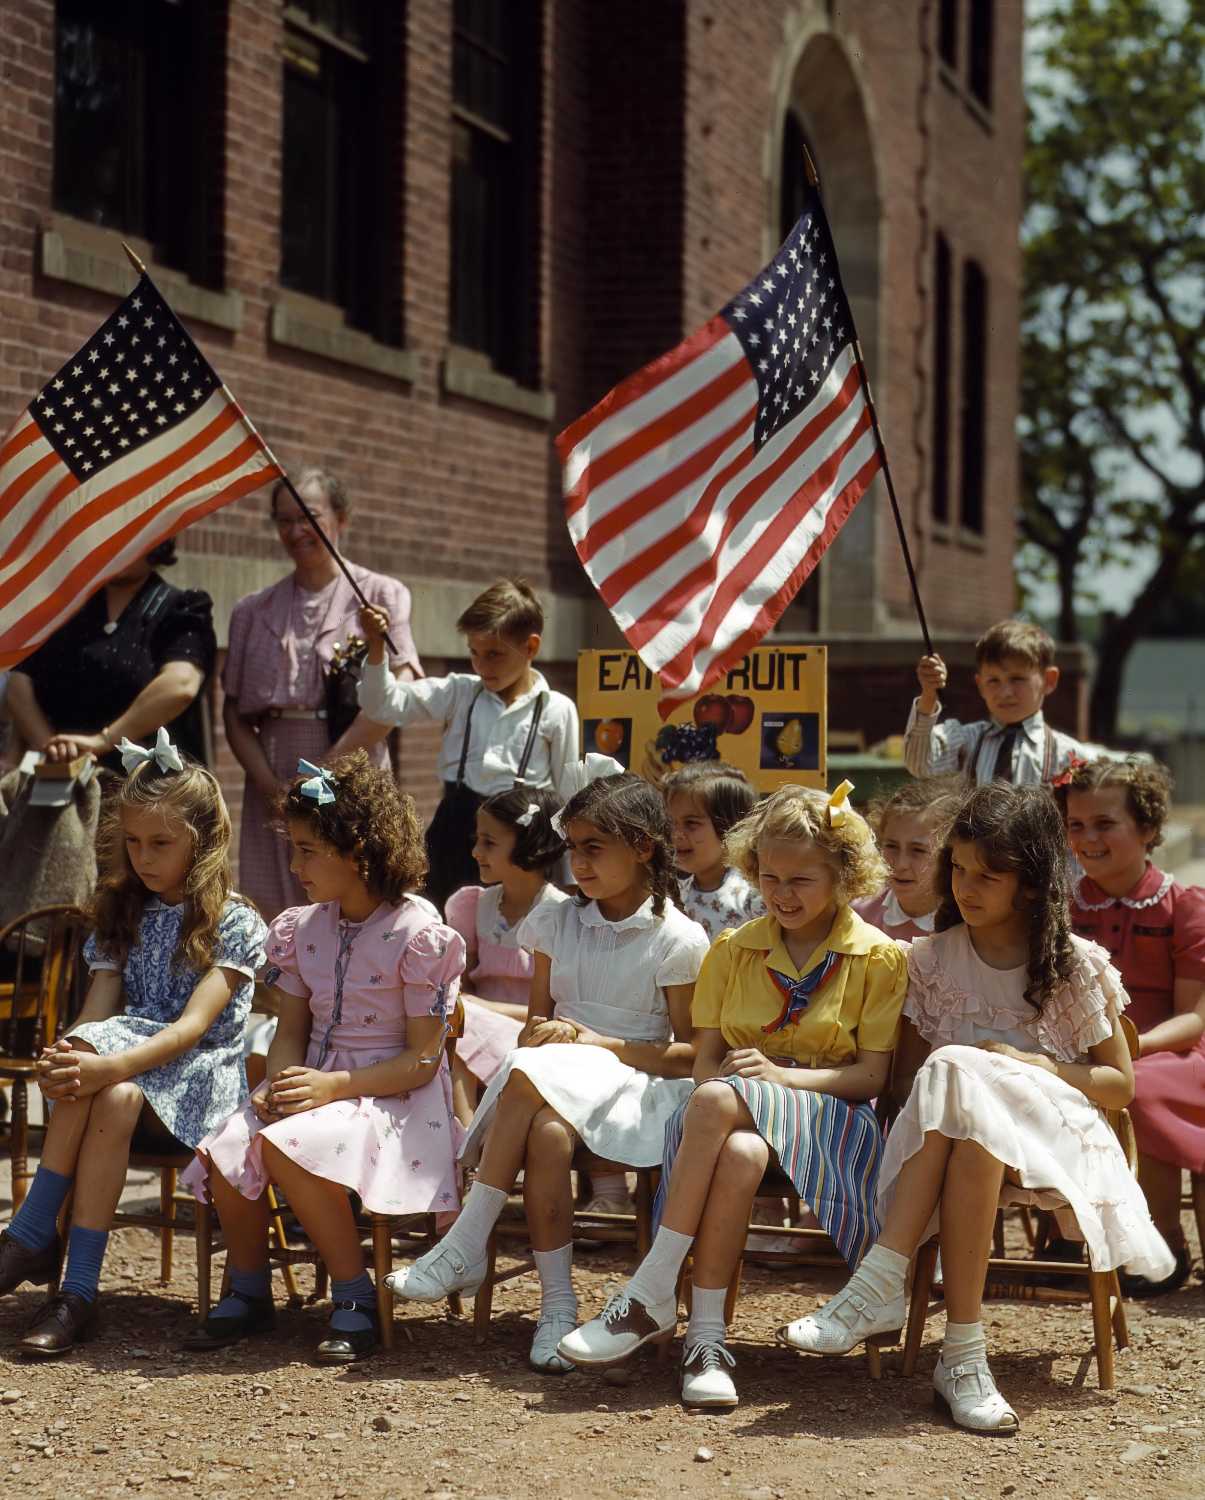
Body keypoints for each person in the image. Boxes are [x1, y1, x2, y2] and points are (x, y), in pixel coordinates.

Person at [779, 784, 1173, 1435]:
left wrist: (1030, 1065)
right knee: (966, 1118)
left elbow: (1117, 1085)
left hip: (1053, 1143)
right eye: (956, 868)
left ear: (1029, 882)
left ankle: (880, 1277)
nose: (964, 886)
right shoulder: (930, 960)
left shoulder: (1069, 965)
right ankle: (961, 1358)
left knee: (961, 1069)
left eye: (986, 875)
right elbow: (905, 1080)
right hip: (954, 1149)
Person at [557, 782, 907, 1410]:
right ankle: (707, 1342)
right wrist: (747, 1086)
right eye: (768, 877)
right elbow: (707, 1060)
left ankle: (652, 1289)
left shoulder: (878, 958)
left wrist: (783, 1079)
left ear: (845, 876)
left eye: (801, 880)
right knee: (738, 1147)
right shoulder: (732, 950)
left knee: (718, 1103)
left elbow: (872, 1079)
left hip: (832, 1120)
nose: (780, 894)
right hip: (730, 1120)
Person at [389, 774, 710, 1375]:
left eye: (595, 848)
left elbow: (688, 1055)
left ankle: (467, 1239)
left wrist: (595, 1041)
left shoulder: (679, 938)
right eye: (575, 847)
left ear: (642, 847)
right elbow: (537, 1024)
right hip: (553, 1081)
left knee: (535, 1074)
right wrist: (550, 1035)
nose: (579, 863)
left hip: (635, 1086)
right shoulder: (557, 923)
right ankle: (557, 1309)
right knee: (547, 1135)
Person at [181, 750, 465, 1365]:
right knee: (228, 1142)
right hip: (318, 1086)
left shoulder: (419, 933)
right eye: (296, 847)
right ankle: (251, 1288)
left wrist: (333, 1086)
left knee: (287, 1145)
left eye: (309, 850)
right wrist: (279, 1081)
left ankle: (356, 1295)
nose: (295, 864)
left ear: (359, 852)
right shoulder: (303, 927)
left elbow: (422, 1060)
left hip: (393, 1098)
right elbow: (291, 1026)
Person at [0, 730, 266, 1355]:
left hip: (196, 1081)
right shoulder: (124, 911)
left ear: (201, 844)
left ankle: (33, 1232)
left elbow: (191, 1030)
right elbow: (96, 1014)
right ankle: (77, 1293)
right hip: (122, 1088)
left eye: (161, 844)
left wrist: (100, 1063)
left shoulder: (233, 922)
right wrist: (67, 1056)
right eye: (134, 843)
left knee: (104, 1077)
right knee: (107, 1088)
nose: (143, 858)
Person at [222, 468, 423, 920]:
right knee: (276, 914)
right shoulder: (251, 611)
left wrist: (328, 768)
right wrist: (268, 783)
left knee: (353, 895)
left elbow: (401, 690)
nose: (296, 531)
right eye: (284, 520)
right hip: (274, 776)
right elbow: (234, 712)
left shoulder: (380, 596)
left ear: (341, 518)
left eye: (308, 517)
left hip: (351, 767)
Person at [1057, 756, 1205, 1293]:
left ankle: (1162, 1238)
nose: (1087, 838)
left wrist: (1131, 1046)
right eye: (1076, 825)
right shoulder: (1063, 909)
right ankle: (1074, 1232)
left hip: (1173, 1052)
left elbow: (1193, 1020)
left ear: (1146, 829)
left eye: (1104, 824)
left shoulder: (1183, 906)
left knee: (1135, 1090)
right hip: (1084, 1049)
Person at [358, 578, 580, 910]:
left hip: (524, 850)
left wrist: (570, 879)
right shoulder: (459, 693)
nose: (482, 666)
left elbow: (568, 800)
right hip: (455, 839)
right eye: (474, 653)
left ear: (531, 648)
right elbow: (382, 705)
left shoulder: (556, 710)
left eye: (494, 655)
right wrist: (376, 646)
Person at [5, 538, 216, 770]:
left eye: (131, 534)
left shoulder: (181, 609)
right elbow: (19, 683)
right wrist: (53, 750)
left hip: (147, 788)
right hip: (62, 784)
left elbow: (180, 684)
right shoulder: (64, 610)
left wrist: (105, 740)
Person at [444, 785, 569, 1123]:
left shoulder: (560, 913)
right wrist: (471, 1007)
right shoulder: (472, 906)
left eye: (489, 843)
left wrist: (481, 1008)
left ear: (529, 844)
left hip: (532, 1037)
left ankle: (466, 1147)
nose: (474, 851)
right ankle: (462, 1137)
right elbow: (460, 984)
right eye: (476, 840)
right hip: (473, 1027)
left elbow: (556, 1011)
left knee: (463, 1018)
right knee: (455, 1023)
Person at [903, 620, 1103, 785]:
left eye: (1017, 679)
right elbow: (919, 764)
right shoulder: (965, 741)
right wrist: (929, 693)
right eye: (993, 681)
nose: (1005, 692)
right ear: (980, 685)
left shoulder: (1068, 755)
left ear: (1049, 680)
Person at [853, 776, 964, 941]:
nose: (901, 864)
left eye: (918, 850)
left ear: (949, 855)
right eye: (891, 846)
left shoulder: (964, 927)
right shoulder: (858, 917)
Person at [664, 762, 765, 939]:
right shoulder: (673, 896)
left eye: (691, 823)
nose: (676, 834)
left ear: (730, 827)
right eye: (671, 822)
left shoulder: (753, 897)